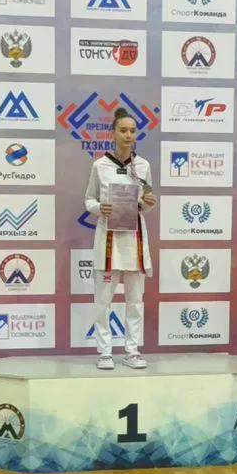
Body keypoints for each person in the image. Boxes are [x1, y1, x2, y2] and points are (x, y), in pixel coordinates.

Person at [84, 108, 156, 370]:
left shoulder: (143, 166)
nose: (128, 135)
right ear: (113, 133)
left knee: (135, 302)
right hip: (108, 242)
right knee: (103, 301)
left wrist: (148, 203)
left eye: (132, 131)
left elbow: (145, 202)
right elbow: (89, 199)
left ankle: (132, 351)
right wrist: (98, 208)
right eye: (123, 130)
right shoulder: (100, 165)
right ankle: (104, 352)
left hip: (134, 242)